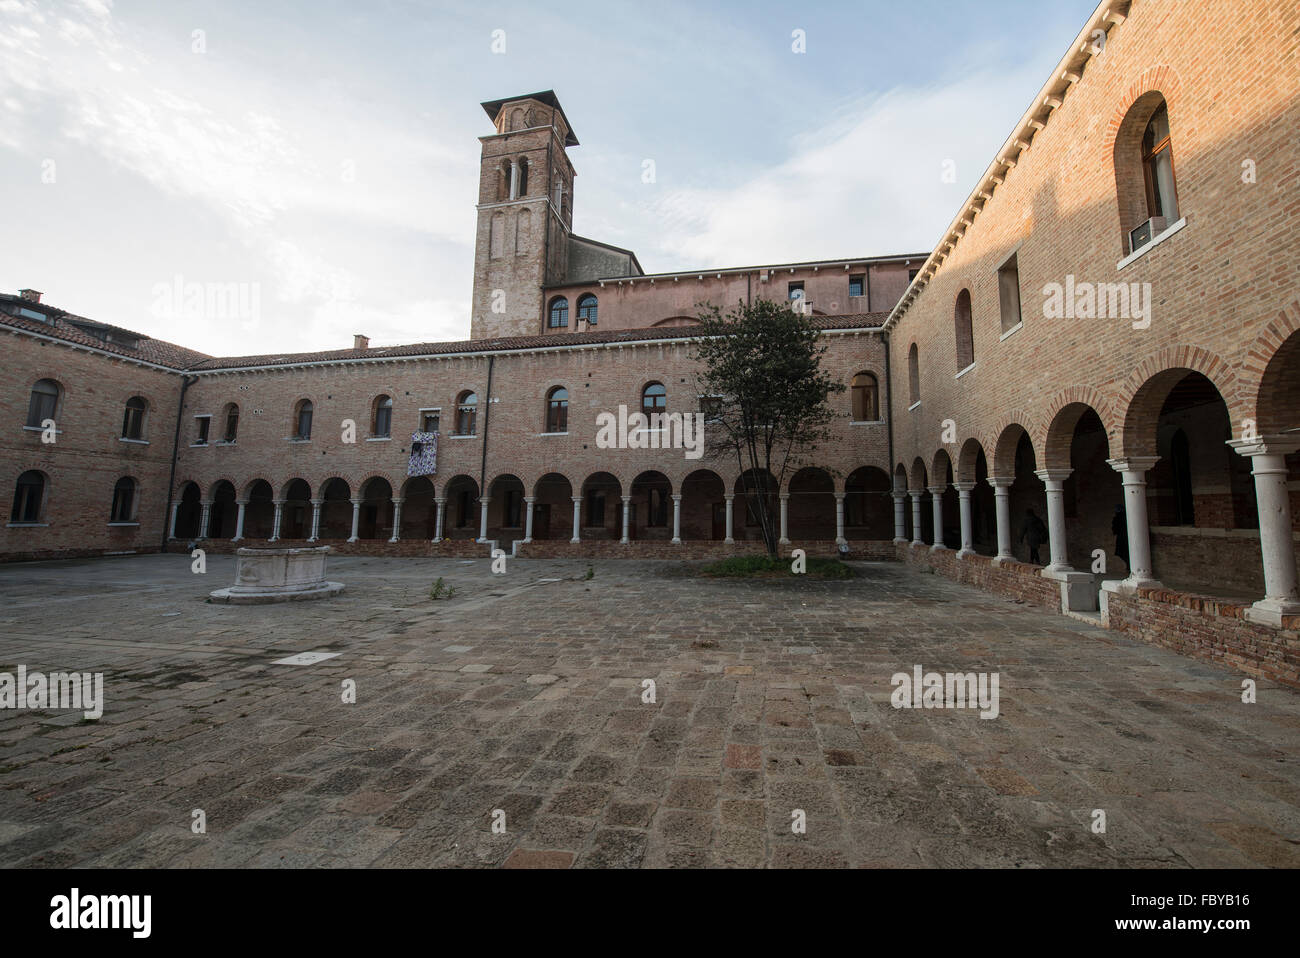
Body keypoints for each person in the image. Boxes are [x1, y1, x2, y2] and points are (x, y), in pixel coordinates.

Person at [1112, 503, 1129, 570]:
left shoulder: (1119, 517)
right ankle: (1128, 565)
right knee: (1123, 552)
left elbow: (1115, 528)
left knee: (1123, 552)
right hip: (1124, 536)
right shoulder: (1124, 516)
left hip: (1123, 537)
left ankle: (1129, 565)